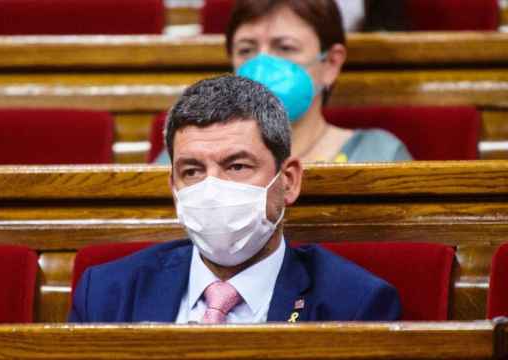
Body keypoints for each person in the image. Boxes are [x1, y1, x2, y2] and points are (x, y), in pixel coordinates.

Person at [69, 75, 401, 323]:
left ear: (288, 181)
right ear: (173, 187)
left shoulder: (354, 303)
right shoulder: (105, 294)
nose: (212, 189)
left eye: (237, 166)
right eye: (193, 171)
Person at [155, 0, 411, 164]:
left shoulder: (380, 155)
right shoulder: (191, 155)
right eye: (246, 50)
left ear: (331, 63)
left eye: (285, 48)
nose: (262, 64)